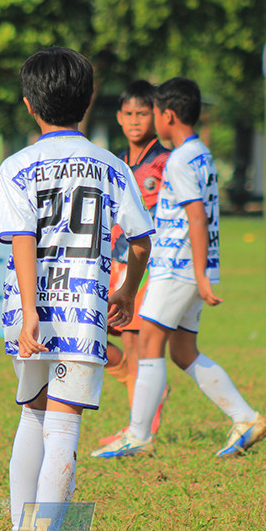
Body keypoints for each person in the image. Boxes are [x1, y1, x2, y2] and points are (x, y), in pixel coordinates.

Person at [0, 47, 154, 531]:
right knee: (64, 424)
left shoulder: (15, 166)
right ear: (88, 103)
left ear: (28, 104)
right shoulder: (113, 165)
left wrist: (31, 311)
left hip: (29, 313)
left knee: (32, 414)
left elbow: (21, 240)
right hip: (84, 311)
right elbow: (140, 241)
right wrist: (128, 292)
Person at [90, 77, 266, 460]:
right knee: (182, 350)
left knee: (150, 343)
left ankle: (138, 434)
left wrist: (201, 273)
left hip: (176, 264)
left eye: (152, 112)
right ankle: (245, 418)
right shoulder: (200, 153)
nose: (151, 119)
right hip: (188, 265)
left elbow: (196, 217)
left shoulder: (179, 159)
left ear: (167, 115)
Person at [98, 80, 171, 446]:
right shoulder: (116, 163)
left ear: (155, 116)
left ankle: (140, 430)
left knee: (138, 343)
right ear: (119, 117)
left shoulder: (164, 162)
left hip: (150, 264)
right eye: (129, 114)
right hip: (117, 262)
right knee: (116, 342)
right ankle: (141, 415)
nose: (135, 121)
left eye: (143, 113)